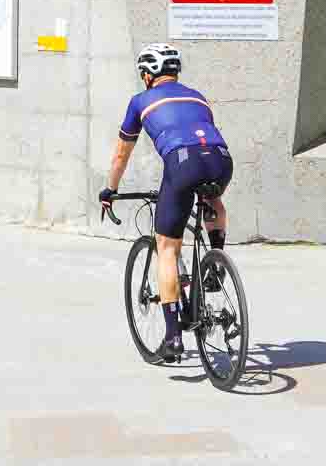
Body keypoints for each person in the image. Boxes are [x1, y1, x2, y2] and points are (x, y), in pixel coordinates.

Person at [97, 43, 232, 363]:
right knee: (213, 198)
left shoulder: (139, 101)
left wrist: (109, 190)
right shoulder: (197, 96)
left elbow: (120, 154)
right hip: (221, 160)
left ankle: (172, 337)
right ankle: (215, 260)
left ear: (146, 75)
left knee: (167, 248)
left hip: (182, 164)